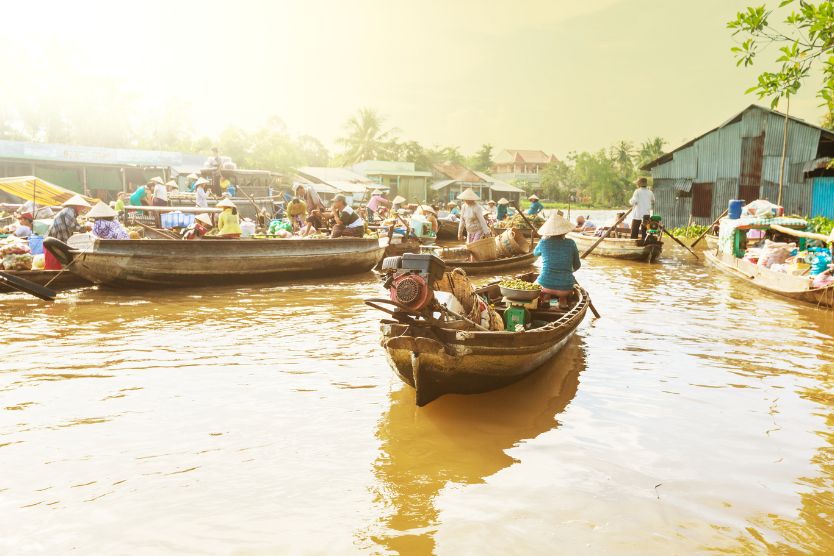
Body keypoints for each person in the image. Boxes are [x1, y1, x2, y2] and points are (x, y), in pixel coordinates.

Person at [534, 212, 581, 310]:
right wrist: (567, 271)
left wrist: (544, 240)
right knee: (564, 281)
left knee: (537, 284)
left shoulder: (543, 242)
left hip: (544, 286)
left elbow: (535, 253)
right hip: (566, 288)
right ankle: (562, 300)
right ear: (564, 231)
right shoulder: (571, 243)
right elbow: (577, 265)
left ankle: (546, 298)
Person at [44, 195, 91, 269]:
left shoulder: (69, 211)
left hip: (57, 238)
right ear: (77, 206)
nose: (82, 209)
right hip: (55, 239)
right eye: (81, 207)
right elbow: (72, 226)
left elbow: (73, 226)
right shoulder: (69, 211)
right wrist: (85, 228)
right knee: (57, 261)